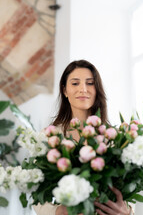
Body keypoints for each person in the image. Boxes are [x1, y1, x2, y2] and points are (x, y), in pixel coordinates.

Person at [33, 59, 134, 215]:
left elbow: (129, 186)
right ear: (65, 90)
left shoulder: (115, 137)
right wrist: (58, 211)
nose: (83, 89)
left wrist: (127, 212)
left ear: (97, 88)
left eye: (90, 83)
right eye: (75, 83)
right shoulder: (49, 136)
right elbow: (35, 187)